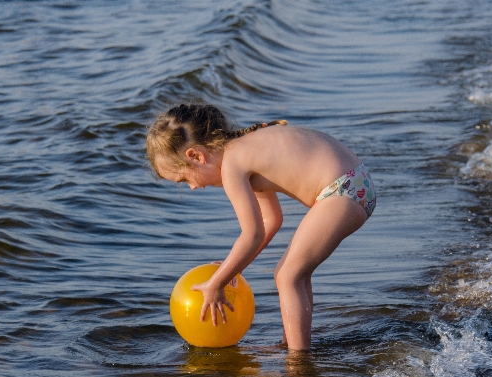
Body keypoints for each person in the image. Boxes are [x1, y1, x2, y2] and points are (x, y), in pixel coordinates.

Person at [147, 104, 376, 351]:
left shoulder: (233, 165)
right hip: (354, 183)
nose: (192, 187)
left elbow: (252, 234)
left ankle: (299, 363)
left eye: (184, 179)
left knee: (288, 276)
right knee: (293, 273)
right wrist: (230, 269)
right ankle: (293, 343)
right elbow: (271, 221)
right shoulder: (244, 147)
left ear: (196, 156)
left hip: (341, 190)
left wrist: (217, 283)